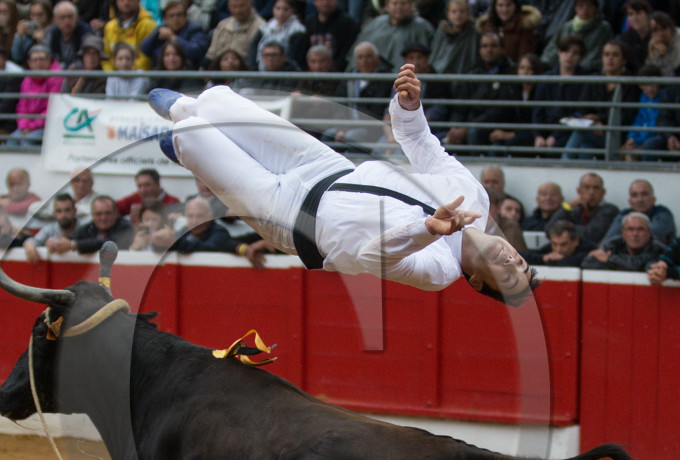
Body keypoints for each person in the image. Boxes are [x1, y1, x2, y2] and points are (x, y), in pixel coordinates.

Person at [150, 64, 538, 302]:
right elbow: (423, 145)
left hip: (293, 219)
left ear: (475, 282)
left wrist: (427, 229)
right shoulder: (477, 197)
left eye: (507, 276)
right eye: (519, 262)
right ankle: (187, 112)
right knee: (219, 102)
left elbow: (373, 257)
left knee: (191, 134)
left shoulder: (440, 270)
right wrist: (408, 108)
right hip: (325, 166)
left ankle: (185, 141)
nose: (510, 261)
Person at [351, 0, 434, 68]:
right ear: (387, 6)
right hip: (376, 78)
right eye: (394, 3)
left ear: (412, 5)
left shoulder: (422, 27)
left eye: (403, 3)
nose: (399, 7)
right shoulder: (375, 24)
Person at [545, 171, 617, 247]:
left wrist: (562, 229)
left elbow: (591, 235)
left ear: (603, 192)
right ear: (579, 191)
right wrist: (568, 206)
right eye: (587, 187)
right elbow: (549, 230)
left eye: (596, 188)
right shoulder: (574, 210)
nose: (591, 192)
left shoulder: (609, 210)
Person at [10, 45, 64, 144]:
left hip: (49, 125)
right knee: (12, 139)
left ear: (49, 60)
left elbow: (51, 108)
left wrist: (31, 127)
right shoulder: (27, 80)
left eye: (42, 59)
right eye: (35, 60)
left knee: (28, 140)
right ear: (29, 63)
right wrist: (24, 125)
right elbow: (22, 107)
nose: (39, 63)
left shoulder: (56, 78)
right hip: (29, 126)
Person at [600, 179, 675, 247]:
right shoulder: (623, 214)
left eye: (644, 194)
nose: (639, 199)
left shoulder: (663, 213)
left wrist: (625, 236)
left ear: (653, 199)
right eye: (634, 195)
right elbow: (608, 240)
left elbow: (646, 236)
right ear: (629, 202)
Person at [540, 0, 611, 71]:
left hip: (589, 71)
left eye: (589, 6)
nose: (585, 9)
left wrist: (579, 67)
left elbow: (597, 53)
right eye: (580, 5)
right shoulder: (566, 27)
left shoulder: (603, 28)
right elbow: (552, 48)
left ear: (596, 8)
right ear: (575, 8)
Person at [581, 212, 664, 271]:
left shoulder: (658, 248)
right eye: (630, 229)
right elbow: (588, 262)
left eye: (640, 229)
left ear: (649, 233)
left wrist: (609, 259)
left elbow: (637, 265)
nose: (635, 234)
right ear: (623, 233)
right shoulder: (613, 244)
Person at [141, 0, 210, 68]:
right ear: (165, 19)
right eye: (171, 16)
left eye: (179, 15)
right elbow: (144, 49)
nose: (175, 19)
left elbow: (195, 52)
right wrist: (156, 33)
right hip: (160, 74)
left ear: (185, 16)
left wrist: (173, 38)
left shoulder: (195, 30)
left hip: (186, 73)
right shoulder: (162, 29)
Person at [475, 0, 540, 64]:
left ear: (515, 6)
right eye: (500, 5)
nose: (504, 9)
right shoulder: (487, 27)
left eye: (508, 5)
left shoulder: (524, 27)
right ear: (495, 7)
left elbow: (525, 58)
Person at [302, 0, 359, 72]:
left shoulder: (348, 24)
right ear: (314, 1)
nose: (325, 2)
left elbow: (347, 54)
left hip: (338, 75)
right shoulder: (308, 23)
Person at [249, 0, 306, 71]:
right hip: (261, 70)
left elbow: (294, 56)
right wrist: (255, 69)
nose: (281, 13)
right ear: (273, 9)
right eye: (278, 8)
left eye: (286, 9)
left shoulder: (298, 30)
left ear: (292, 10)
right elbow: (253, 50)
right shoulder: (265, 27)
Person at [205, 0, 265, 67]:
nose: (238, 10)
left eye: (241, 6)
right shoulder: (222, 25)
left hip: (245, 72)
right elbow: (211, 54)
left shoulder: (261, 27)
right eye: (234, 6)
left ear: (251, 5)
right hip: (219, 71)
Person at [169, 196, 237, 253]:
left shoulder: (220, 233)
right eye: (190, 216)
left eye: (200, 216)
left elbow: (206, 249)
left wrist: (176, 242)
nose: (194, 221)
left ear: (210, 217)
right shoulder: (185, 231)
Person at [103, 0, 157, 70]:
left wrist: (127, 74)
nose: (126, 2)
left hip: (140, 77)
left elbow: (146, 60)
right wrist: (112, 76)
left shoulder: (148, 25)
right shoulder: (110, 27)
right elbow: (106, 58)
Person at [24, 191, 80, 259]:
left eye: (67, 210)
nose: (63, 215)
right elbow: (32, 241)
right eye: (59, 211)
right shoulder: (49, 229)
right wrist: (29, 245)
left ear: (75, 211)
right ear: (54, 213)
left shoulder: (84, 228)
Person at [71, 194, 135, 253]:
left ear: (116, 213)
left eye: (108, 213)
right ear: (92, 215)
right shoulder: (89, 227)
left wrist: (75, 245)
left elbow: (108, 244)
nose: (103, 218)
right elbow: (72, 238)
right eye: (98, 214)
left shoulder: (126, 228)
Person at [430, 0, 478, 76]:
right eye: (454, 12)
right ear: (448, 14)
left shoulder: (474, 32)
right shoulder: (442, 31)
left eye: (462, 12)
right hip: (442, 76)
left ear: (468, 13)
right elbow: (435, 55)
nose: (458, 15)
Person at [116, 168, 182, 222]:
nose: (142, 190)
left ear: (158, 184)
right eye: (139, 186)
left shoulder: (173, 202)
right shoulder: (134, 198)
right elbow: (112, 208)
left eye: (147, 185)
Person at [45, 1, 93, 68]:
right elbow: (47, 54)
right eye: (62, 17)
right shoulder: (52, 32)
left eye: (70, 17)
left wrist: (76, 66)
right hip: (57, 73)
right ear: (55, 19)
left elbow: (90, 58)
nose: (66, 21)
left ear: (76, 17)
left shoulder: (86, 32)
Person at [526, 219, 593, 266]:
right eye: (554, 244)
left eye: (564, 244)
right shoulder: (550, 247)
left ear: (576, 241)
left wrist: (558, 260)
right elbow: (523, 257)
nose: (558, 249)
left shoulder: (589, 249)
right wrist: (543, 258)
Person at [12, 0, 53, 64]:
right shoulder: (26, 32)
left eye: (40, 15)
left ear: (48, 15)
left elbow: (53, 57)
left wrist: (42, 41)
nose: (35, 18)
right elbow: (17, 57)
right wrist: (18, 36)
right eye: (32, 15)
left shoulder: (53, 31)